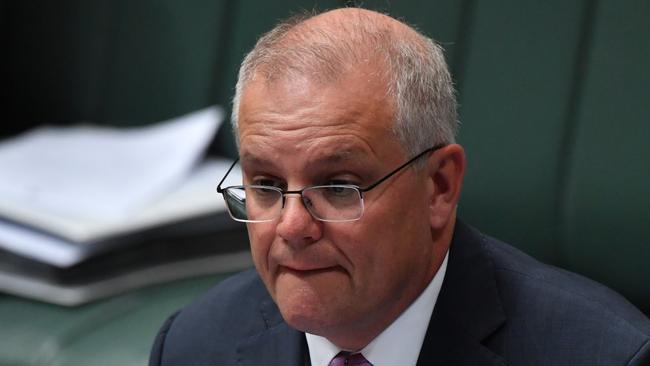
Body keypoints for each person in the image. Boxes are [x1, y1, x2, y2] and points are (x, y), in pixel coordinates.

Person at [149, 7, 650, 366]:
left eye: (339, 187)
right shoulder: (193, 345)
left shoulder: (605, 353)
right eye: (266, 184)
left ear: (438, 187)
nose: (292, 226)